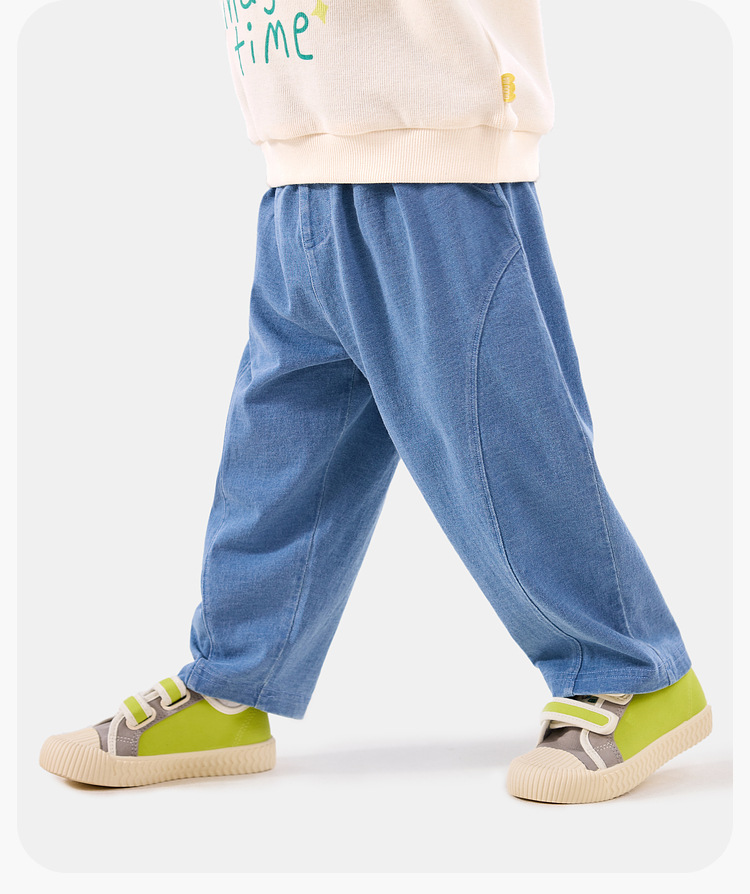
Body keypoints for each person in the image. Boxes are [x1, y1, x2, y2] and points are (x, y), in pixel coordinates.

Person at [39, 0, 711, 803]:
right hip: (299, 163)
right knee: (278, 457)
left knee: (493, 440)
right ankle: (233, 684)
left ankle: (635, 670)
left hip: (433, 157)